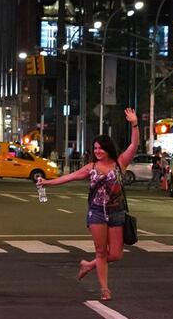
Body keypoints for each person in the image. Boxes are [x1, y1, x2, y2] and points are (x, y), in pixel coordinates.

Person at [39, 108, 140, 302]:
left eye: (100, 148)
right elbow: (69, 177)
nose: (97, 151)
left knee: (116, 254)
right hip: (97, 214)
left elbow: (134, 144)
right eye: (94, 148)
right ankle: (104, 289)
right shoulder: (91, 168)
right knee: (101, 252)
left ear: (108, 148)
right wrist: (47, 183)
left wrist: (134, 124)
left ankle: (88, 265)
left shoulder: (120, 163)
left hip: (117, 213)